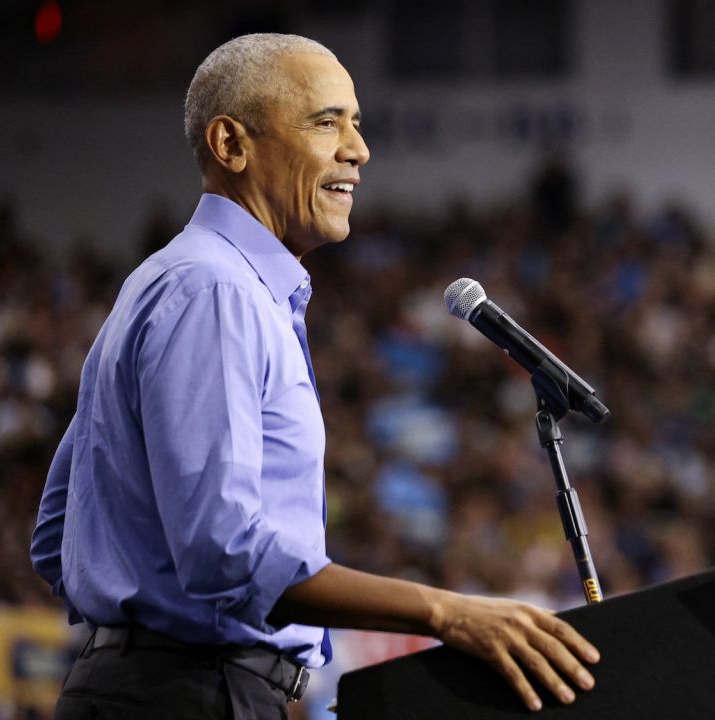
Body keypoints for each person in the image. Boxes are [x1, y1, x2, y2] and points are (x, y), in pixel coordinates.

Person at [30, 33, 599, 719]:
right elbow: (222, 551)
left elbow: (57, 532)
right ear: (231, 144)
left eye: (356, 123)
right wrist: (446, 612)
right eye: (326, 121)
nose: (357, 149)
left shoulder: (185, 283)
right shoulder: (216, 292)